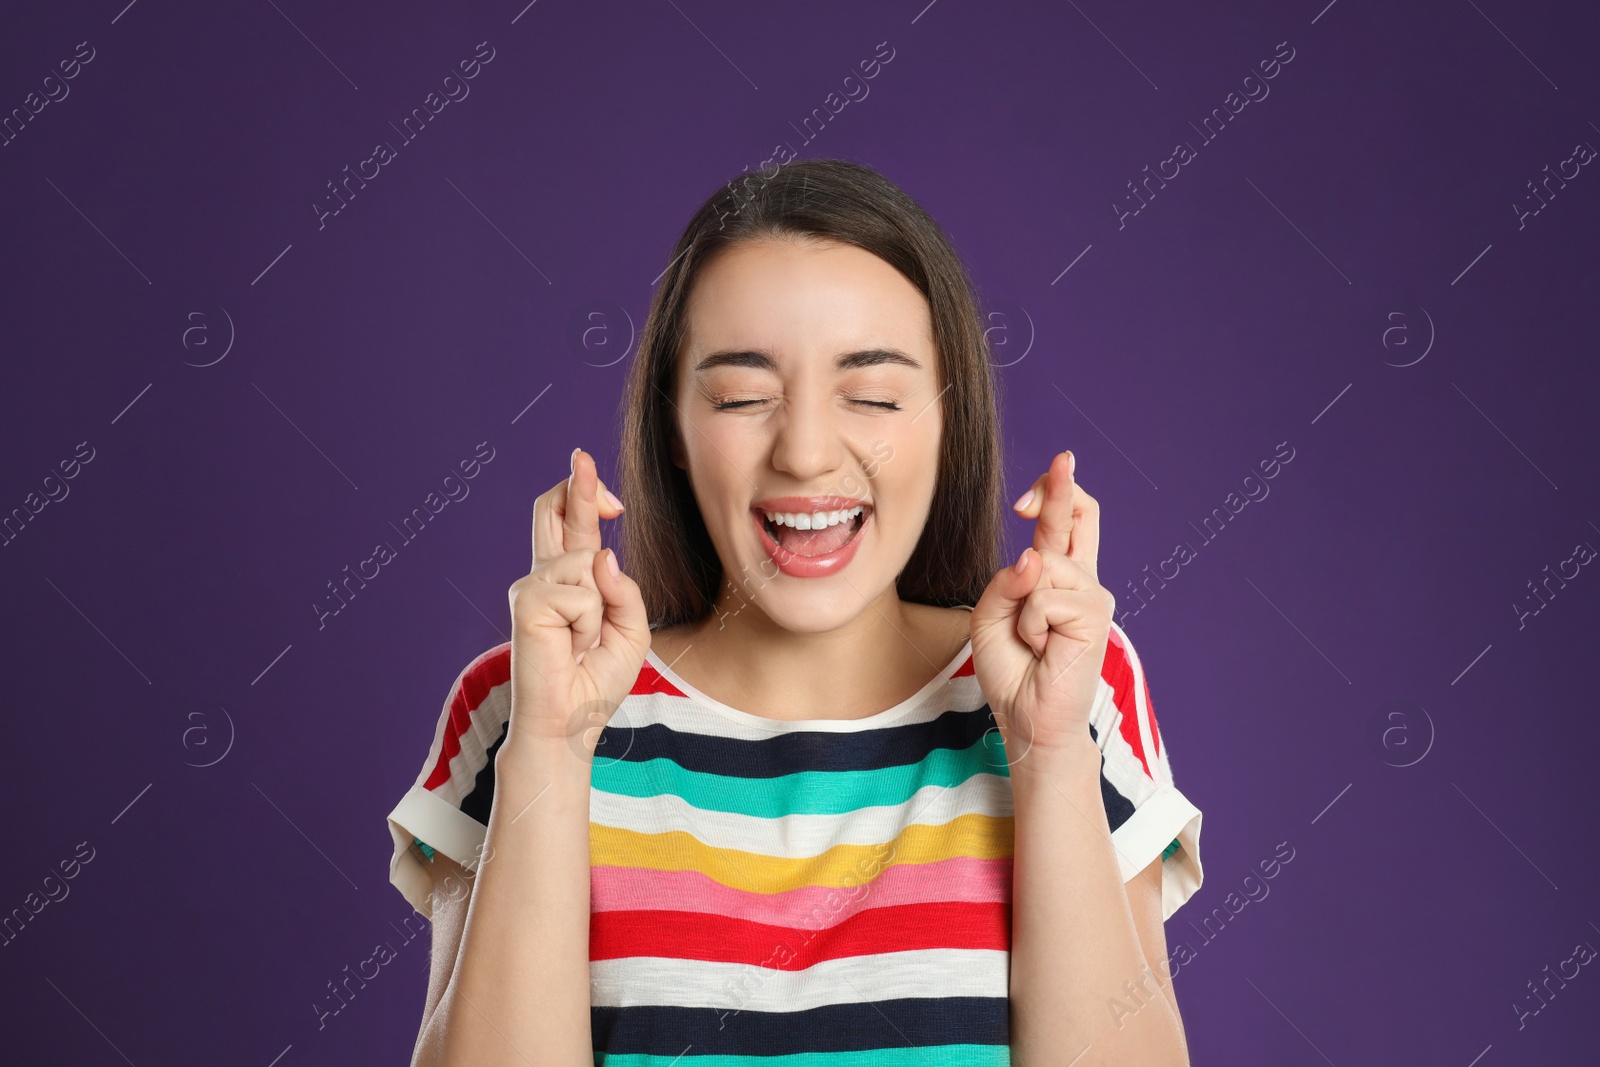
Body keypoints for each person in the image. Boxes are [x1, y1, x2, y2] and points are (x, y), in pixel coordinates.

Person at [385, 158, 1203, 1065]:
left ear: (947, 420)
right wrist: (549, 743)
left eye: (875, 395)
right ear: (676, 434)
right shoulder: (518, 700)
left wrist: (1049, 757)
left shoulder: (1077, 688)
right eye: (743, 396)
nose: (808, 453)